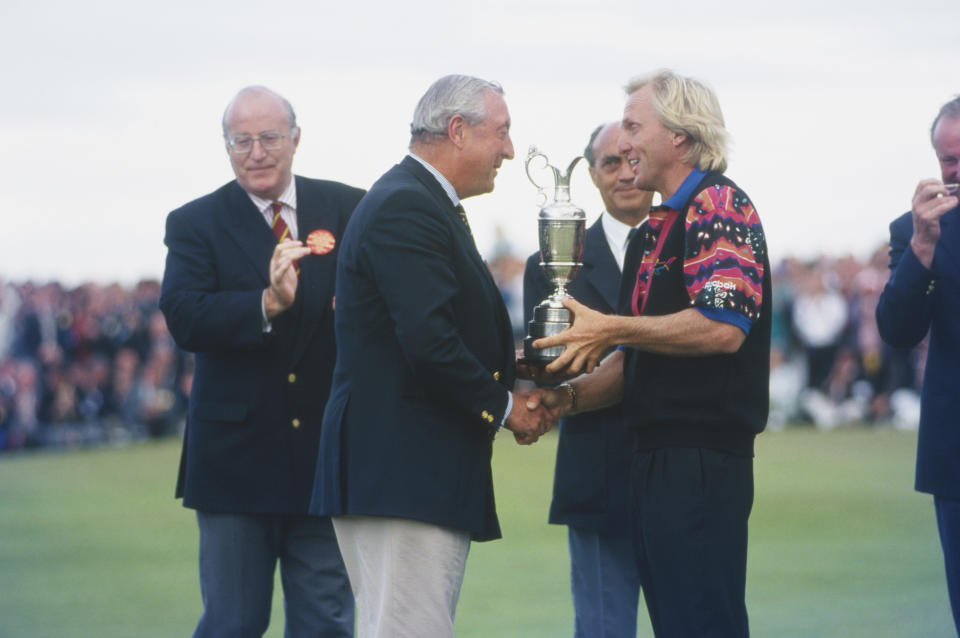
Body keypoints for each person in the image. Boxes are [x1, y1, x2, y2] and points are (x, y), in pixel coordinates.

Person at [525, 69, 771, 637]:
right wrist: (560, 400)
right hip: (653, 458)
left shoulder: (718, 204)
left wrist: (609, 328)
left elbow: (722, 326)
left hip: (702, 461)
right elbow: (636, 363)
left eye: (634, 128)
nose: (624, 142)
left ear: (680, 136)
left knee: (702, 623)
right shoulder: (654, 228)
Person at [310, 74, 552, 638]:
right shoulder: (407, 206)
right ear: (458, 130)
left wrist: (510, 363)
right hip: (400, 472)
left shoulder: (418, 201)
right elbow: (428, 342)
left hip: (405, 472)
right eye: (502, 132)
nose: (510, 151)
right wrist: (505, 406)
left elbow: (419, 333)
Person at [159, 86, 364, 638]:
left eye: (269, 137)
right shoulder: (195, 222)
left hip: (324, 458)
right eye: (241, 140)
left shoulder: (350, 207)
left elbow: (384, 301)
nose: (256, 152)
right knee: (232, 623)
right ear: (226, 147)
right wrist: (266, 303)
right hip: (234, 465)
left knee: (326, 622)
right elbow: (184, 317)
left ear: (295, 139)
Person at [522, 121, 653, 638]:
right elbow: (551, 365)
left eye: (632, 159)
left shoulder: (691, 250)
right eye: (610, 163)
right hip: (597, 476)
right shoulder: (551, 261)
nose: (624, 173)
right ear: (591, 175)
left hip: (681, 471)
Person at [875, 95, 960, 634]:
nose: (955, 170)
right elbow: (898, 331)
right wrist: (923, 248)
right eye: (947, 160)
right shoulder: (916, 229)